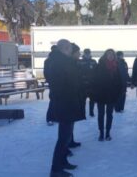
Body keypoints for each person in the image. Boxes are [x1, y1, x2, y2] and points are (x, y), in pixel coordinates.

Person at [45, 39, 84, 177]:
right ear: (65, 49)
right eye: (70, 49)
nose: (72, 52)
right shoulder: (60, 62)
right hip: (65, 104)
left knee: (66, 137)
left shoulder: (59, 61)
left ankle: (62, 162)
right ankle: (56, 169)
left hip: (66, 103)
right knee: (63, 138)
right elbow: (64, 84)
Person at [91, 49, 122, 141]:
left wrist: (118, 92)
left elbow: (119, 81)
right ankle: (101, 133)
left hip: (111, 95)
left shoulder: (116, 66)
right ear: (105, 55)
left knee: (109, 114)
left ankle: (108, 132)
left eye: (112, 54)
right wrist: (95, 93)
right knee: (101, 114)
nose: (110, 56)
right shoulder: (99, 65)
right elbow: (94, 80)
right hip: (101, 94)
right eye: (109, 54)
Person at [78, 49, 97, 117]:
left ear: (90, 54)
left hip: (92, 84)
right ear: (84, 54)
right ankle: (82, 113)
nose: (87, 54)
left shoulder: (94, 61)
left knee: (92, 100)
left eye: (88, 53)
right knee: (82, 100)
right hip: (83, 84)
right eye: (86, 53)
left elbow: (97, 71)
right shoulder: (80, 61)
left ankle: (91, 112)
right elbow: (77, 72)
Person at [45, 45, 58, 126]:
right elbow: (47, 73)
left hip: (53, 84)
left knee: (53, 101)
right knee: (54, 101)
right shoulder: (53, 60)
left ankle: (52, 118)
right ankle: (50, 118)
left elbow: (45, 73)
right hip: (55, 84)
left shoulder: (48, 60)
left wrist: (49, 81)